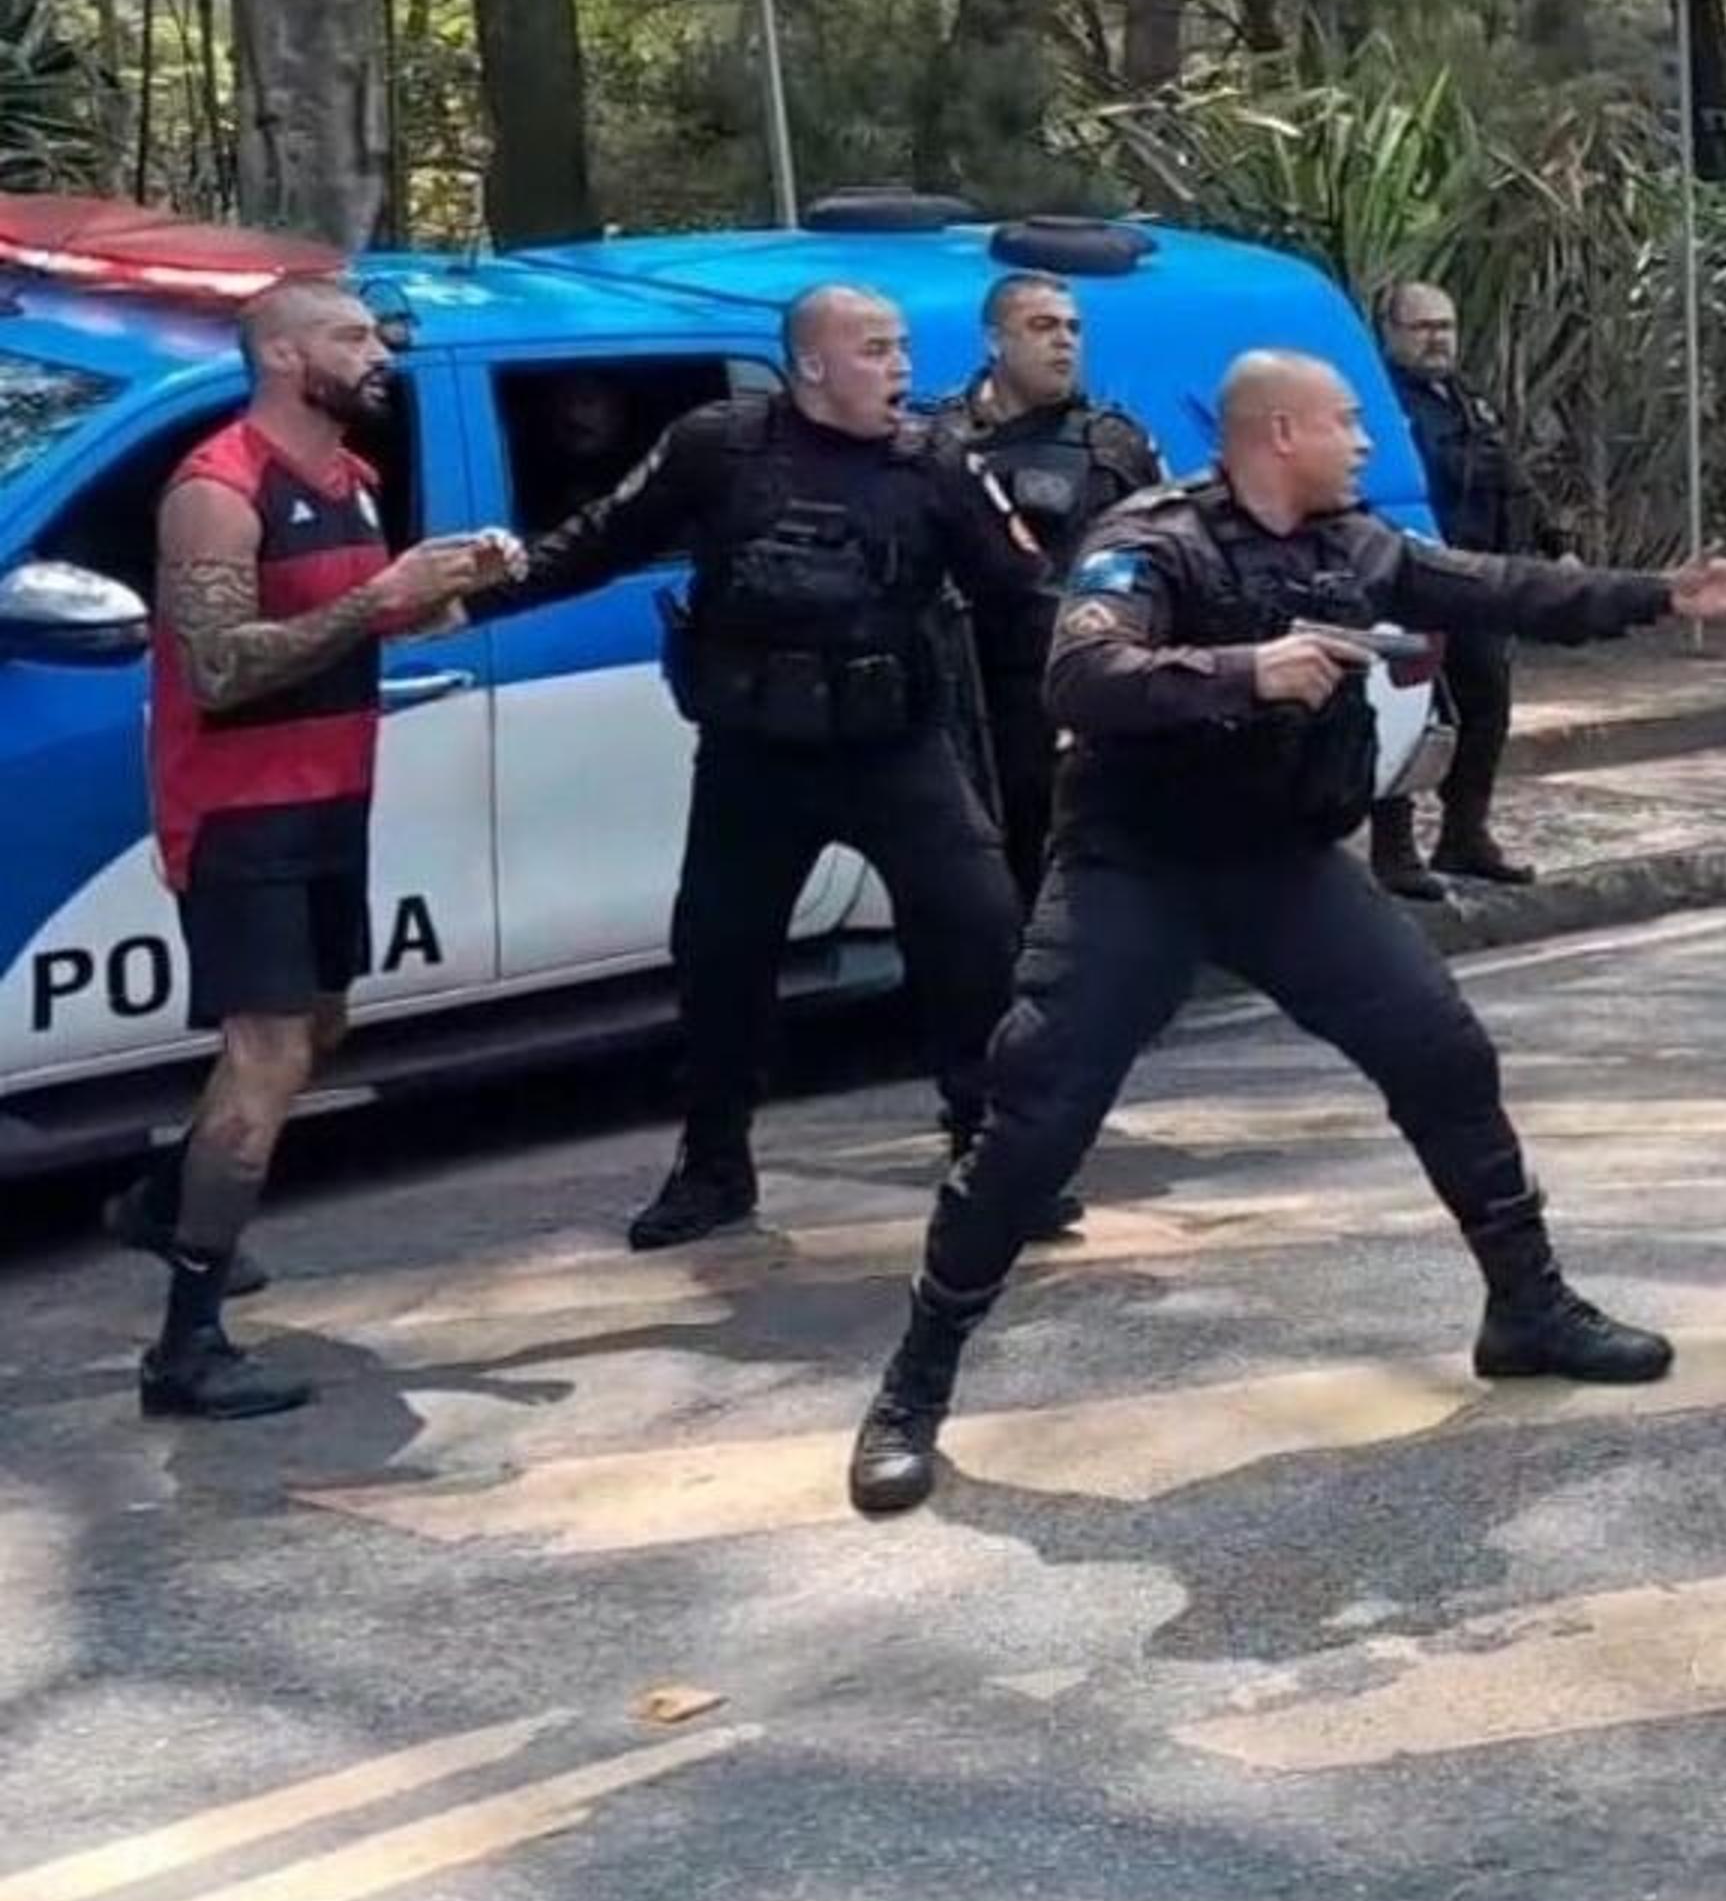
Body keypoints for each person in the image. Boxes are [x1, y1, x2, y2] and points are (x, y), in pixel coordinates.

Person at [843, 353, 1726, 1515]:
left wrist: (1659, 594)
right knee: (1034, 1121)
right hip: (1137, 872)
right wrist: (1247, 669)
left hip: (1283, 867)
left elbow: (1491, 586)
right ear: (1280, 433)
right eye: (1346, 425)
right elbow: (1082, 677)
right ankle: (912, 1392)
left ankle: (1527, 1309)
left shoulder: (1354, 544)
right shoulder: (1155, 540)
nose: (1364, 446)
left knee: (1442, 1051)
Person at [485, 286, 1052, 1252]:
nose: (901, 368)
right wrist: (486, 592)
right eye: (876, 349)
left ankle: (992, 1158)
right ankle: (714, 1166)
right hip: (757, 755)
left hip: (896, 746)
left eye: (903, 347)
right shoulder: (720, 445)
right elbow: (599, 540)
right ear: (814, 366)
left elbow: (1020, 587)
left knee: (978, 927)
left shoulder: (935, 462)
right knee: (718, 955)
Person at [120, 281, 509, 1417]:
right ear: (286, 355)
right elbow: (221, 667)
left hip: (337, 794)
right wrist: (377, 599)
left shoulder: (356, 479)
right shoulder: (218, 488)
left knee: (321, 1026)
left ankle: (161, 1204)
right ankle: (184, 1350)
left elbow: (356, 623)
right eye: (351, 336)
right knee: (270, 1053)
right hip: (241, 814)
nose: (376, 352)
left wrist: (443, 597)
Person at [933, 272, 1164, 904]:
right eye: (1042, 327)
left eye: (1072, 329)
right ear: (993, 339)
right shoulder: (939, 444)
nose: (1063, 343)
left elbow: (1169, 552)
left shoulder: (1114, 440)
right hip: (983, 696)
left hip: (1089, 683)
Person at [1368, 279, 1570, 897]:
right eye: (1423, 327)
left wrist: (1556, 545)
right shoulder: (1380, 403)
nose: (1438, 339)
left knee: (1486, 710)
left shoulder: (1465, 399)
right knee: (1411, 715)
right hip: (1413, 580)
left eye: (1445, 326)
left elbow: (1510, 479)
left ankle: (1464, 836)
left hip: (1479, 582)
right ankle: (1395, 851)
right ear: (1390, 333)